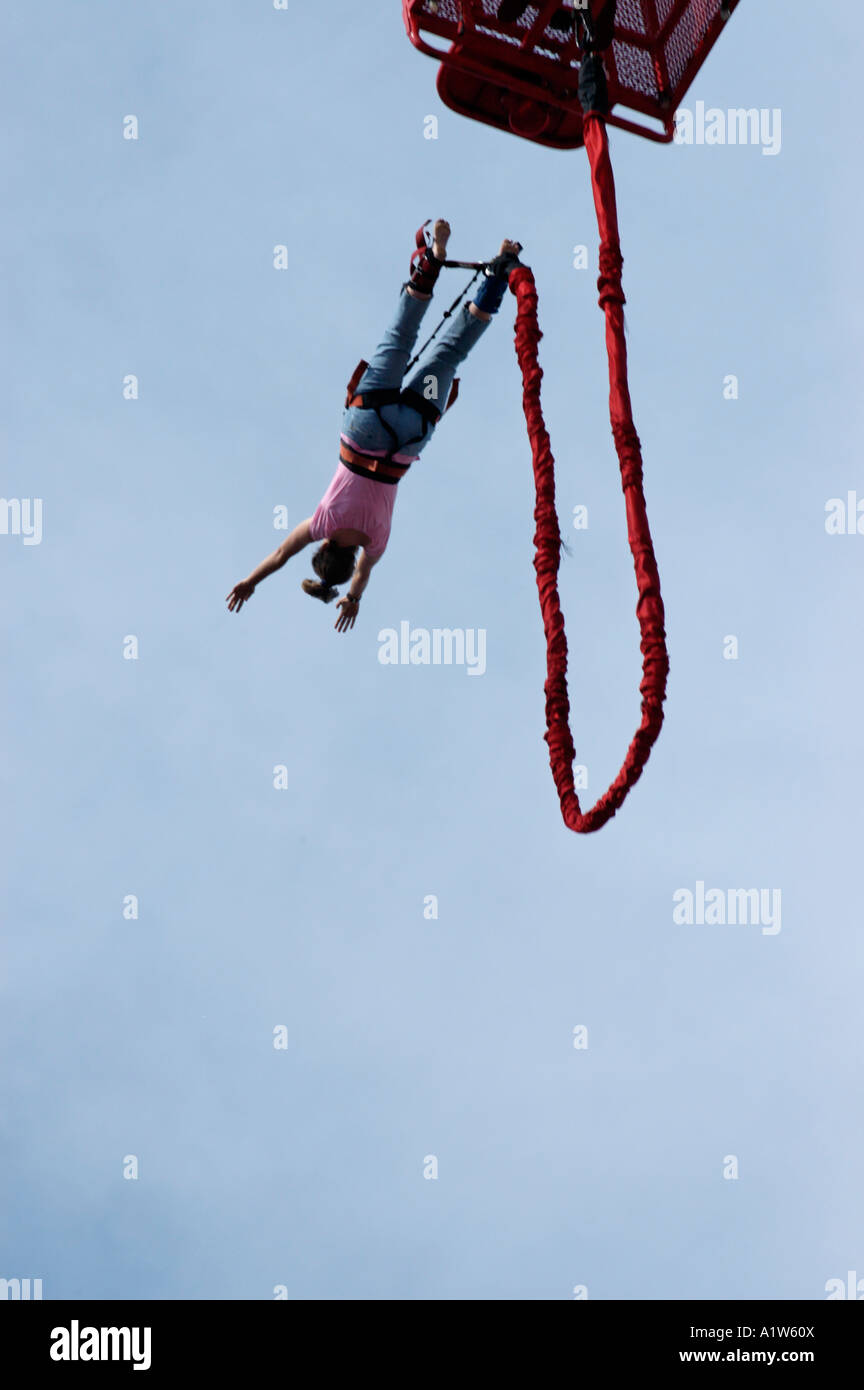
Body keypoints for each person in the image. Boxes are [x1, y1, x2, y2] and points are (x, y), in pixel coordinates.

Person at [226, 220, 522, 632]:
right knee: (400, 337)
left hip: (408, 432)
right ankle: (430, 264)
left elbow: (363, 576)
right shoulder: (322, 523)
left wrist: (352, 598)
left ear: (347, 558)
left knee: (449, 354)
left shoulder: (374, 545)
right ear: (324, 547)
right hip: (366, 420)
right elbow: (280, 553)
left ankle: (498, 275)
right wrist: (249, 581)